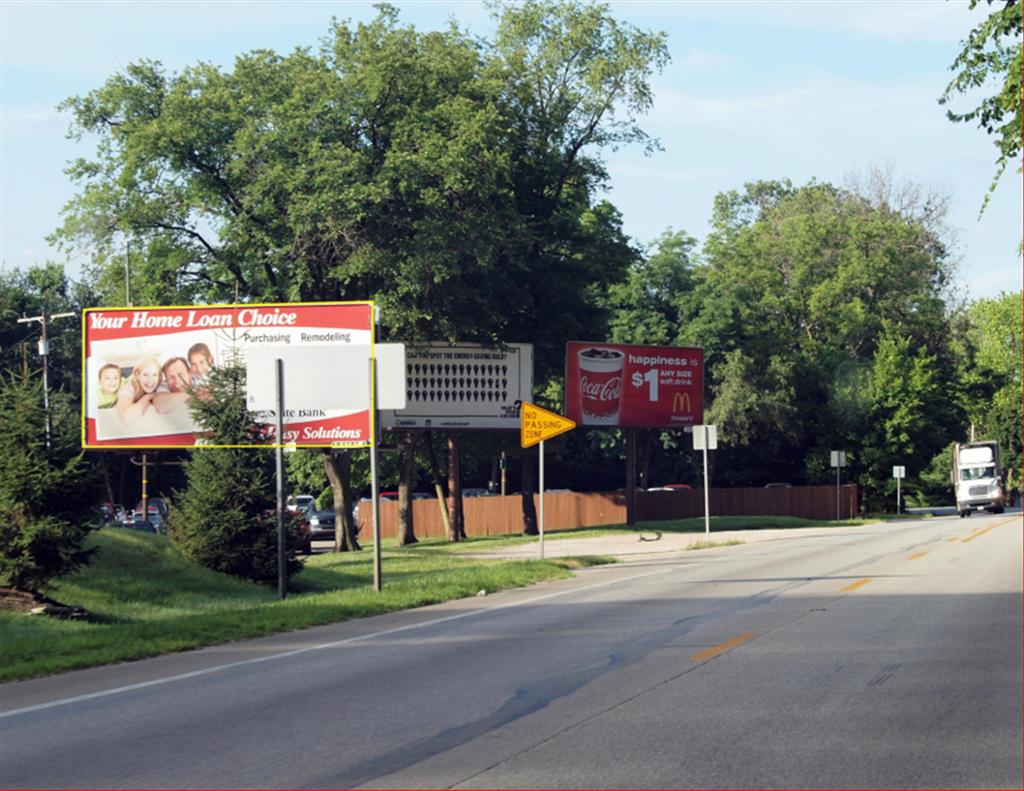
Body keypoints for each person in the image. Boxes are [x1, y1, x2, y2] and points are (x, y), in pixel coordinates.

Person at [116, 357, 161, 426]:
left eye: (154, 375)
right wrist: (147, 397)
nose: (150, 381)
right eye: (145, 375)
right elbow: (126, 420)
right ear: (137, 375)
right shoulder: (128, 388)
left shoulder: (160, 384)